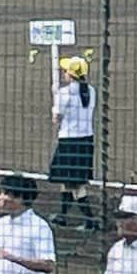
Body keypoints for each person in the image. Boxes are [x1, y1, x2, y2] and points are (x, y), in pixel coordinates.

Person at [49, 58, 99, 229]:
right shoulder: (91, 90)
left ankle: (90, 220)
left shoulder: (64, 93)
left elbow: (56, 119)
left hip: (69, 140)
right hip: (86, 140)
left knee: (75, 184)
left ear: (70, 73)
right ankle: (62, 215)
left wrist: (55, 104)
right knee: (68, 181)